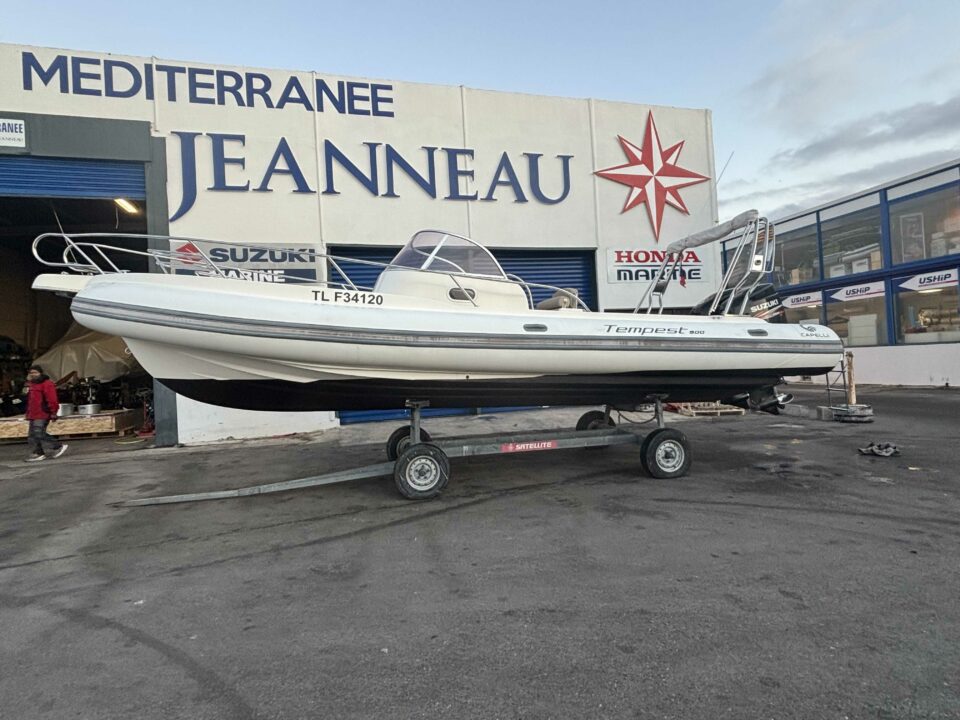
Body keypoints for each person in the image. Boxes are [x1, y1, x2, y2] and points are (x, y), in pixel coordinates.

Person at [24, 364, 68, 462]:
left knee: (39, 433)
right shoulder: (32, 384)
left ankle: (58, 446)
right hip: (33, 414)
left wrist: (53, 412)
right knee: (32, 435)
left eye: (35, 372)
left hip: (42, 413)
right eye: (31, 373)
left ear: (41, 373)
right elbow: (31, 401)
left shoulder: (47, 384)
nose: (33, 374)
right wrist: (28, 413)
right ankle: (38, 453)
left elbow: (52, 399)